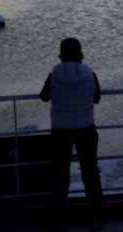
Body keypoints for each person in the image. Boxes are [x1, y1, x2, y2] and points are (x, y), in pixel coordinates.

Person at [40, 37, 104, 231]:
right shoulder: (89, 73)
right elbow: (97, 98)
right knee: (90, 173)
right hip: (86, 128)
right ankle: (96, 217)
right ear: (80, 53)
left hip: (60, 130)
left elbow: (44, 96)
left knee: (60, 175)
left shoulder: (54, 74)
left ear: (61, 53)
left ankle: (59, 219)